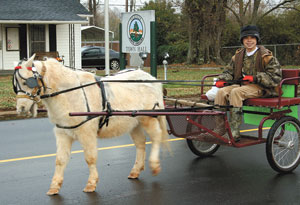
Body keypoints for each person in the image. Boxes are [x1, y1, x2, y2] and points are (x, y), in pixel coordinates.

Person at [213, 25, 282, 141]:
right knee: (221, 92)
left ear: (257, 40)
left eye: (252, 38)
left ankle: (234, 130)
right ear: (242, 40)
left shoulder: (267, 56)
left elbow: (275, 78)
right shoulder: (237, 56)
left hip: (262, 88)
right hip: (243, 86)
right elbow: (229, 72)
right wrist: (222, 80)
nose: (249, 40)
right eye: (246, 38)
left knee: (236, 92)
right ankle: (220, 128)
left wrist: (255, 78)